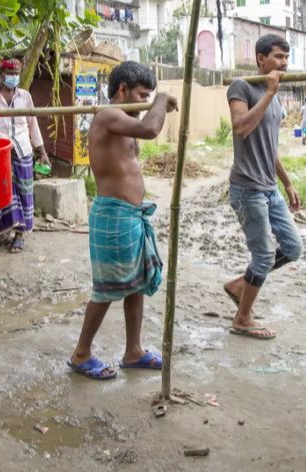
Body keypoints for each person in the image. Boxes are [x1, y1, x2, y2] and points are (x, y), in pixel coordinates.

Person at [68, 61, 176, 380]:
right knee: (107, 288)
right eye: (142, 96)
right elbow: (151, 130)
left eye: (149, 98)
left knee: (136, 284)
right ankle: (81, 353)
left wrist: (155, 103)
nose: (144, 104)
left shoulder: (125, 120)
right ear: (123, 90)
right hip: (113, 215)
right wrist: (160, 100)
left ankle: (134, 351)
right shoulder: (109, 115)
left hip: (131, 216)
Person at [222, 34, 303, 340]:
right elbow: (241, 127)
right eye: (278, 57)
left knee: (293, 248)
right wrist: (268, 94)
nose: (283, 63)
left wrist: (288, 181)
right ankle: (242, 317)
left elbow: (270, 147)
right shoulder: (241, 87)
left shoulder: (275, 94)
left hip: (270, 188)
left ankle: (241, 285)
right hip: (247, 189)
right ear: (260, 58)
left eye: (286, 57)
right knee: (264, 256)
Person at [0, 58, 51, 254]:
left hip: (22, 151)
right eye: (10, 74)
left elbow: (32, 124)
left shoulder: (25, 97)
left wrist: (41, 151)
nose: (14, 78)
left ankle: (19, 236)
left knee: (24, 193)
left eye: (16, 74)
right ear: (1, 75)